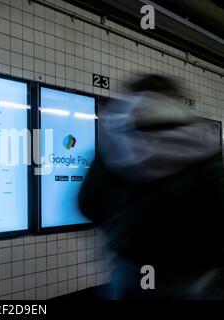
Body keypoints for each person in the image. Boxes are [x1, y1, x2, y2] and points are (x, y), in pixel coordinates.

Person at [78, 74, 224, 299]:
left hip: (134, 271)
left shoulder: (114, 147)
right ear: (175, 101)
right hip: (192, 276)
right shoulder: (204, 148)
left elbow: (87, 203)